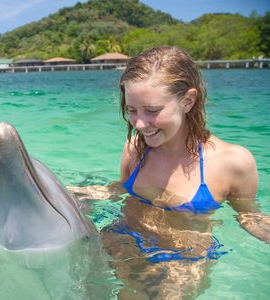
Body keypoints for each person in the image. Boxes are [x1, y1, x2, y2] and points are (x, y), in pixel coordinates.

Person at [70, 46, 269, 298]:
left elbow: (250, 216)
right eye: (132, 110)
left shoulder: (233, 162)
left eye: (152, 111)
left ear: (188, 101)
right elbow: (119, 189)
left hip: (179, 262)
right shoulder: (135, 149)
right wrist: (79, 195)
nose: (139, 124)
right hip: (119, 242)